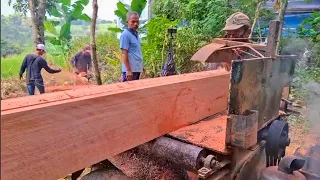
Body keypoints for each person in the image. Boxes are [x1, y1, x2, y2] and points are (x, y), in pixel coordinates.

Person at [120, 11, 143, 82]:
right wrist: (128, 70)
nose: (135, 24)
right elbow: (124, 53)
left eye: (137, 22)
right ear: (127, 22)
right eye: (133, 21)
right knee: (127, 91)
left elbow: (136, 52)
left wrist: (141, 66)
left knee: (135, 91)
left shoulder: (136, 34)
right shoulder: (125, 35)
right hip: (130, 71)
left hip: (136, 69)